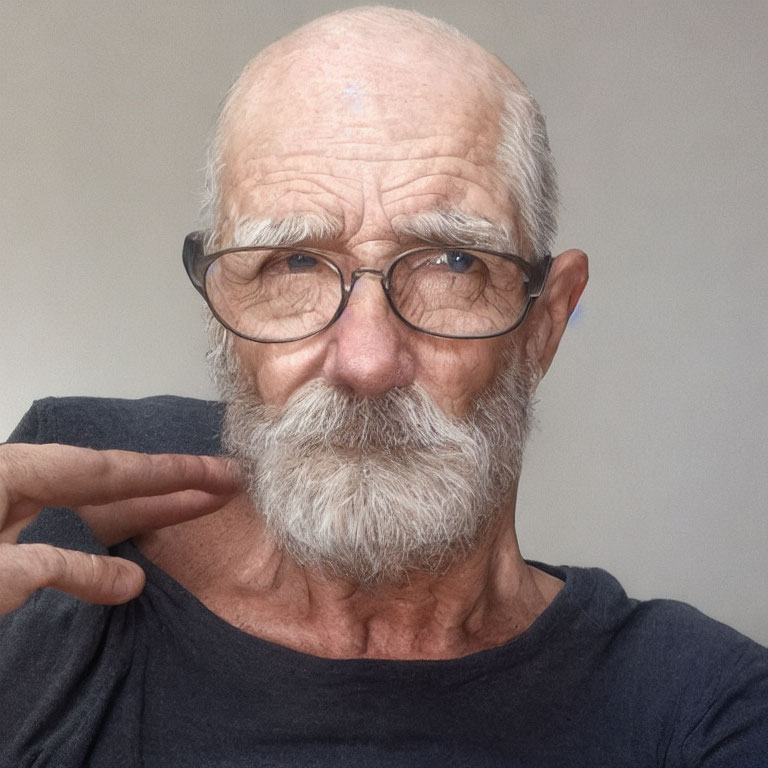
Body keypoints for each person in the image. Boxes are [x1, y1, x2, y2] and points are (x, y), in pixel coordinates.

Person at [1, 6, 766, 766]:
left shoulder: (702, 708)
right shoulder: (49, 541)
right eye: (293, 262)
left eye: (452, 262)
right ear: (221, 309)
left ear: (546, 322)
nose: (366, 363)